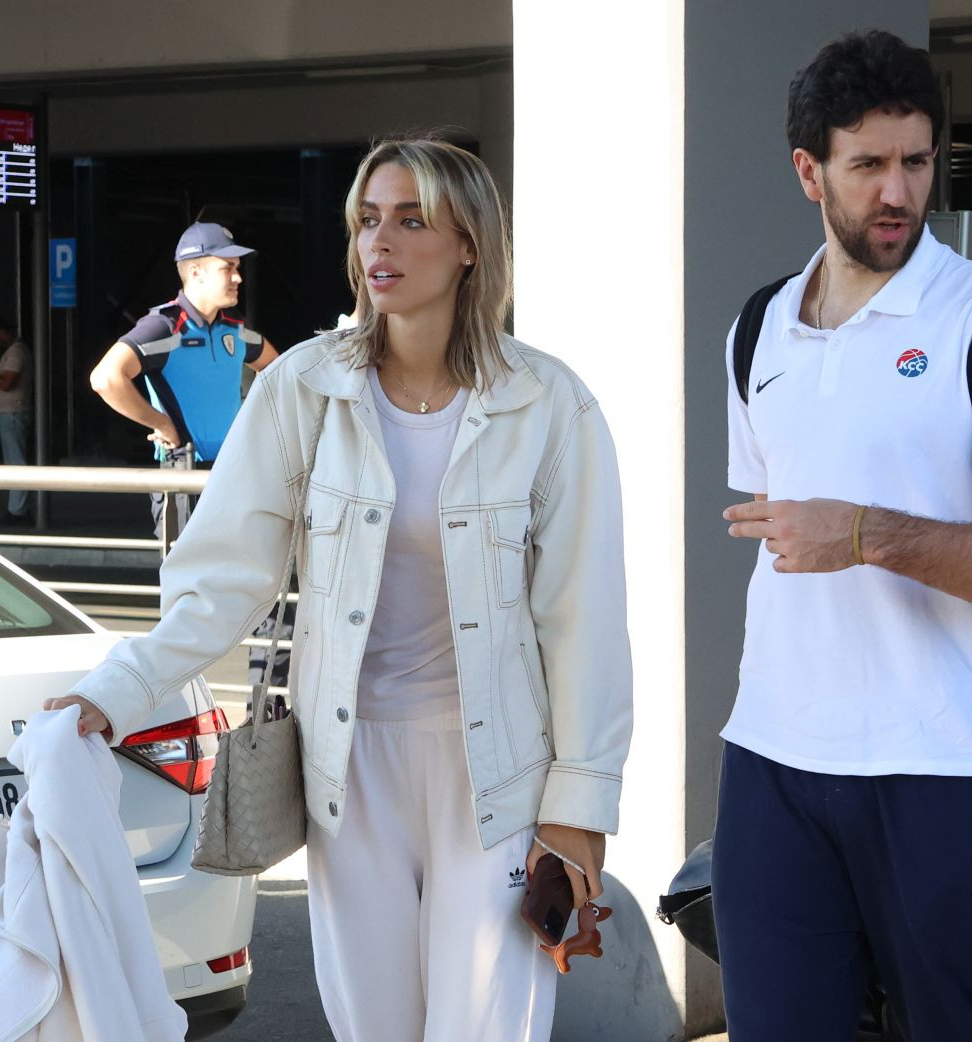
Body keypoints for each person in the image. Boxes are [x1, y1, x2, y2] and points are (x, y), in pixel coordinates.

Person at [47, 137, 633, 1042]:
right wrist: (117, 689)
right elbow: (223, 575)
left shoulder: (548, 404)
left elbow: (583, 620)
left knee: (486, 1028)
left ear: (469, 244)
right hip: (349, 772)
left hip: (500, 777)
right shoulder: (304, 389)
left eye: (411, 220)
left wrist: (579, 807)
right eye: (367, 220)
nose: (379, 243)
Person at [713, 31, 972, 1042]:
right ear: (809, 171)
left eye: (916, 162)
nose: (898, 192)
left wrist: (867, 533)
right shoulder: (756, 331)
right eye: (868, 164)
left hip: (946, 763)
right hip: (776, 757)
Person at [89, 222, 280, 539]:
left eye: (237, 268)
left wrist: (254, 422)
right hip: (184, 475)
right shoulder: (164, 327)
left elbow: (277, 369)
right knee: (188, 571)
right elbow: (105, 379)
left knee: (235, 569)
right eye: (228, 268)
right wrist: (161, 423)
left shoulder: (234, 328)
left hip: (234, 472)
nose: (238, 278)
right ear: (195, 273)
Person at [0, 317, 33, 526]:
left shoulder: (16, 352)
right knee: (13, 460)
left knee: (15, 462)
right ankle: (17, 508)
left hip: (13, 413)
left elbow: (6, 383)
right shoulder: (13, 351)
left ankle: (18, 510)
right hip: (9, 413)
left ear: (3, 333)